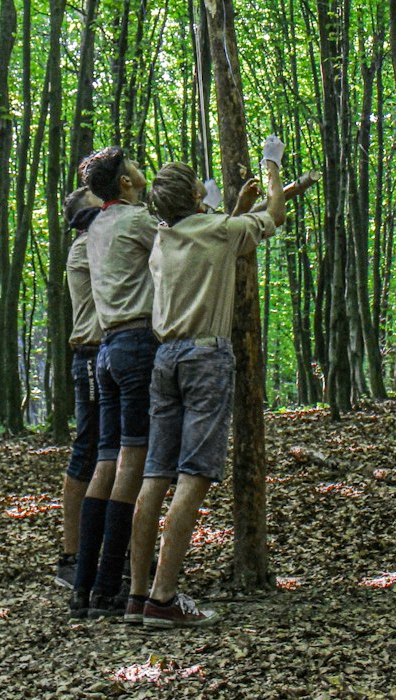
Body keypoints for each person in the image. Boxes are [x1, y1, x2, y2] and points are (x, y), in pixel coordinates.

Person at [125, 144, 319, 628]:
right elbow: (273, 216)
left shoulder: (163, 242)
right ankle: (164, 598)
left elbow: (216, 244)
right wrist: (273, 162)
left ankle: (135, 595)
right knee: (195, 473)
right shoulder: (216, 231)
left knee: (156, 475)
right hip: (206, 359)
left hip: (164, 360)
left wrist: (231, 210)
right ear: (195, 195)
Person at [70, 145, 157, 621]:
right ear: (125, 183)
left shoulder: (96, 226)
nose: (140, 170)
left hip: (105, 351)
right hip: (137, 344)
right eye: (133, 167)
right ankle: (108, 585)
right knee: (132, 460)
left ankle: (84, 585)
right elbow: (180, 242)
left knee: (106, 459)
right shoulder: (136, 220)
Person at [55, 185, 104, 588]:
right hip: (91, 353)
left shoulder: (104, 238)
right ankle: (72, 556)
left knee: (115, 452)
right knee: (86, 451)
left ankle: (107, 549)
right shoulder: (84, 247)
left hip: (111, 353)